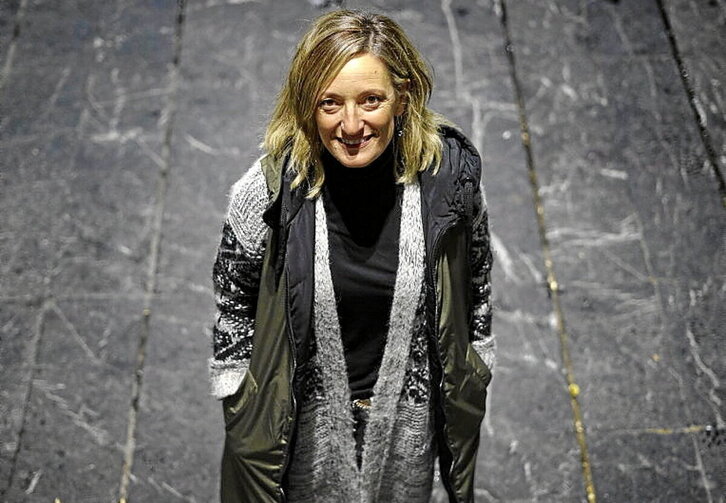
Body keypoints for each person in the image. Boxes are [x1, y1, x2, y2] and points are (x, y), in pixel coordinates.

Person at [208, 9, 495, 503]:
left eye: (370, 100)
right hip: (301, 427)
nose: (351, 124)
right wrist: (239, 393)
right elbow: (234, 295)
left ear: (403, 96)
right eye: (330, 102)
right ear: (307, 104)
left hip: (408, 422)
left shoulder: (451, 184)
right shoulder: (266, 195)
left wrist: (478, 358)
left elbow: (477, 277)